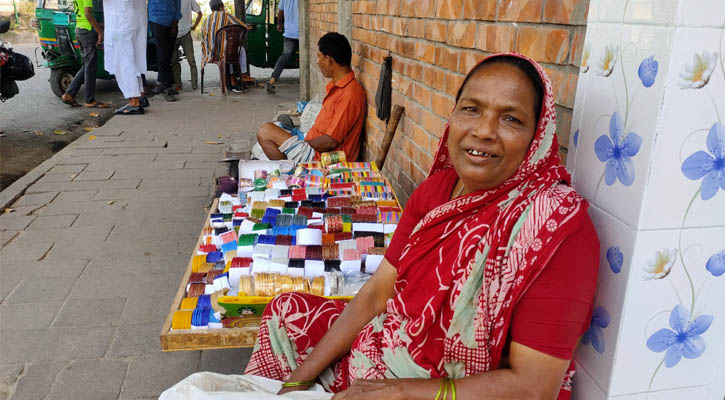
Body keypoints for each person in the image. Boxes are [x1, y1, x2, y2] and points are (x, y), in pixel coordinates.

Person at [244, 53, 600, 400]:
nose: (483, 131)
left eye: (511, 119)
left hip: (455, 388)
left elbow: (534, 388)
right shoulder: (438, 190)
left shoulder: (556, 231)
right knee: (284, 312)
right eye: (471, 109)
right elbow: (376, 293)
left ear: (536, 136)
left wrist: (399, 391)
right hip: (386, 351)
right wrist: (294, 385)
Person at [253, 32, 366, 163]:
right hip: (314, 146)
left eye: (319, 57)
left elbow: (330, 141)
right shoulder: (338, 87)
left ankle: (291, 171)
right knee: (278, 126)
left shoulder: (350, 94)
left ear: (329, 60)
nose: (318, 62)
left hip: (321, 157)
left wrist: (302, 142)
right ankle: (290, 165)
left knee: (265, 131)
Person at [104, 0, 149, 115]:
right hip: (136, 18)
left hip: (120, 21)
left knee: (123, 62)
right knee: (135, 60)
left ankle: (134, 102)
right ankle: (140, 96)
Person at [62, 0, 108, 108]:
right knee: (90, 67)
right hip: (87, 31)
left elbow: (83, 14)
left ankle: (69, 94)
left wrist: (98, 24)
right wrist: (100, 31)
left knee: (87, 65)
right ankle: (89, 100)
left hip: (79, 30)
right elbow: (88, 14)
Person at [200, 0, 251, 93]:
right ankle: (243, 75)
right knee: (239, 50)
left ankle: (231, 79)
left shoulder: (205, 20)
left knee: (228, 49)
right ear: (221, 7)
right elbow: (242, 25)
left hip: (208, 54)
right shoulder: (226, 15)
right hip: (222, 53)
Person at [149, 0, 182, 101]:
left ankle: (160, 82)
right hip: (156, 20)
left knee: (168, 56)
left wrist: (175, 23)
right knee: (163, 56)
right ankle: (167, 88)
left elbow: (178, 3)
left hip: (172, 22)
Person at [265, 0, 298, 94]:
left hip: (289, 32)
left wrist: (280, 24)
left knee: (284, 56)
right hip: (301, 32)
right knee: (305, 56)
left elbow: (280, 12)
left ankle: (273, 79)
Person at [171, 0, 202, 91]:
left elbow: (199, 13)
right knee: (174, 61)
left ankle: (194, 84)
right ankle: (178, 84)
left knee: (191, 60)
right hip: (173, 34)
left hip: (185, 33)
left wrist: (194, 26)